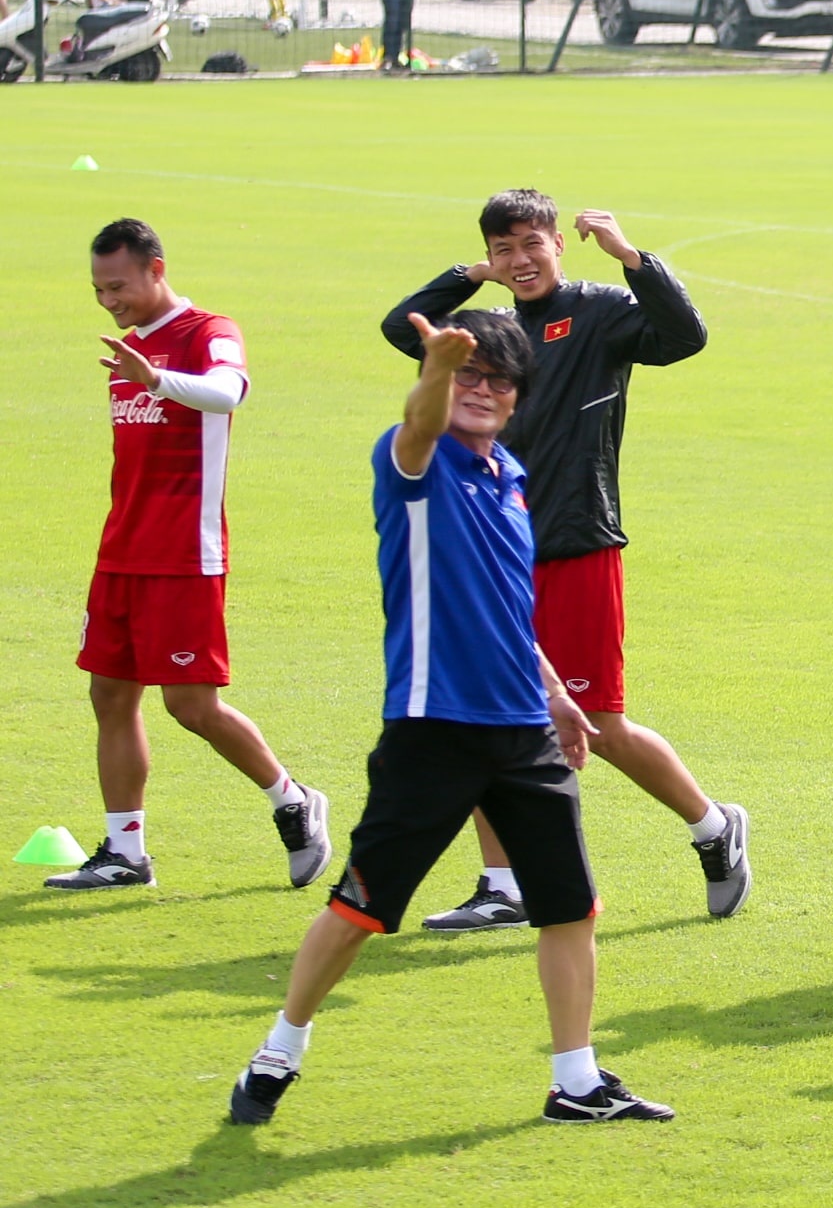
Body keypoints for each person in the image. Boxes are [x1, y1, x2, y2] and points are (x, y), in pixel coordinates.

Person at [229, 309, 673, 1127]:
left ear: (516, 400)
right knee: (361, 906)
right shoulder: (415, 462)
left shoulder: (508, 475)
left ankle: (574, 1081)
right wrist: (438, 366)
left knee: (570, 907)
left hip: (523, 733)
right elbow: (420, 416)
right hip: (434, 729)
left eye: (497, 379)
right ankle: (280, 1046)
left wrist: (557, 693)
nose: (481, 389)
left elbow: (510, 609)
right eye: (468, 375)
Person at [381, 191, 748, 927]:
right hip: (497, 550)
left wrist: (633, 258)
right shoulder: (487, 331)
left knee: (601, 723)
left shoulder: (600, 311)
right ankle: (503, 885)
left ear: (559, 243)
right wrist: (467, 276)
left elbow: (684, 336)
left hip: (578, 543)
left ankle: (713, 825)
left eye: (532, 244)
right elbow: (401, 328)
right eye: (504, 248)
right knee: (489, 718)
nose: (520, 261)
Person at [49, 219, 332, 893]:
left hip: (184, 553)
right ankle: (125, 852)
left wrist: (160, 378)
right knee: (109, 693)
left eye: (117, 285)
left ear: (156, 268)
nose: (108, 300)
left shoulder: (208, 330)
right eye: (97, 289)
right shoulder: (129, 347)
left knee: (191, 705)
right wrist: (146, 370)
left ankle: (292, 799)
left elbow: (230, 391)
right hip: (120, 549)